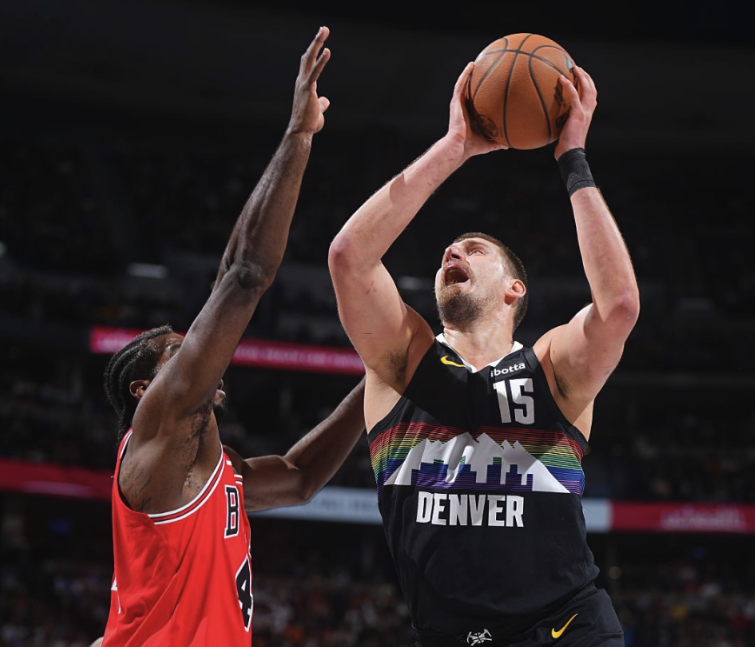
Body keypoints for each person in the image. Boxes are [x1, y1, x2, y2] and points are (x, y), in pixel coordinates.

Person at [327, 58, 638, 647]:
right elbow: (348, 259)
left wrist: (573, 158)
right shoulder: (401, 363)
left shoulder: (552, 369)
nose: (453, 253)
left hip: (567, 629)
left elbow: (619, 305)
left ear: (515, 289)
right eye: (448, 251)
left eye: (473, 250)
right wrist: (455, 148)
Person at [96, 26, 367, 646]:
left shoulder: (213, 467)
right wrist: (297, 136)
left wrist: (378, 379)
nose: (199, 348)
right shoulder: (160, 432)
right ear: (144, 389)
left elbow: (299, 476)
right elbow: (244, 278)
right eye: (178, 350)